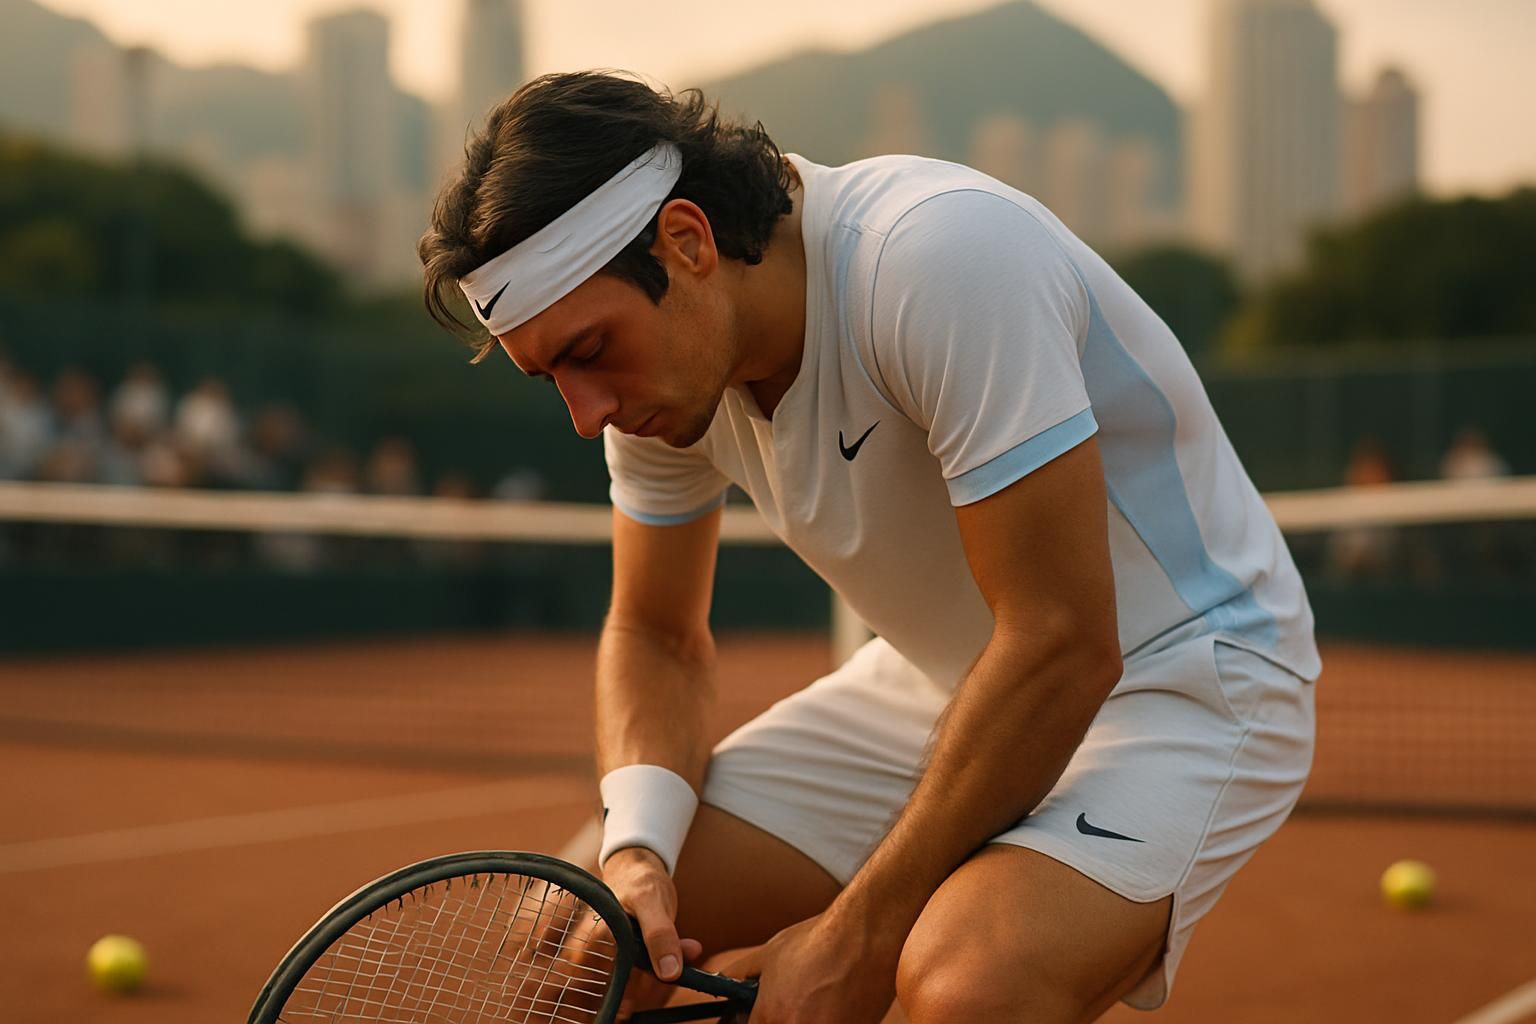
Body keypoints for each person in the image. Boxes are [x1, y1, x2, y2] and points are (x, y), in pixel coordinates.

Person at [419, 72, 1320, 1022]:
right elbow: (655, 633)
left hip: (1184, 677)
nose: (583, 413)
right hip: (949, 676)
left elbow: (1060, 640)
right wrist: (638, 848)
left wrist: (855, 937)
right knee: (579, 940)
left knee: (968, 987)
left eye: (590, 352)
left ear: (686, 242)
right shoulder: (653, 398)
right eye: (549, 374)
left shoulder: (938, 256)